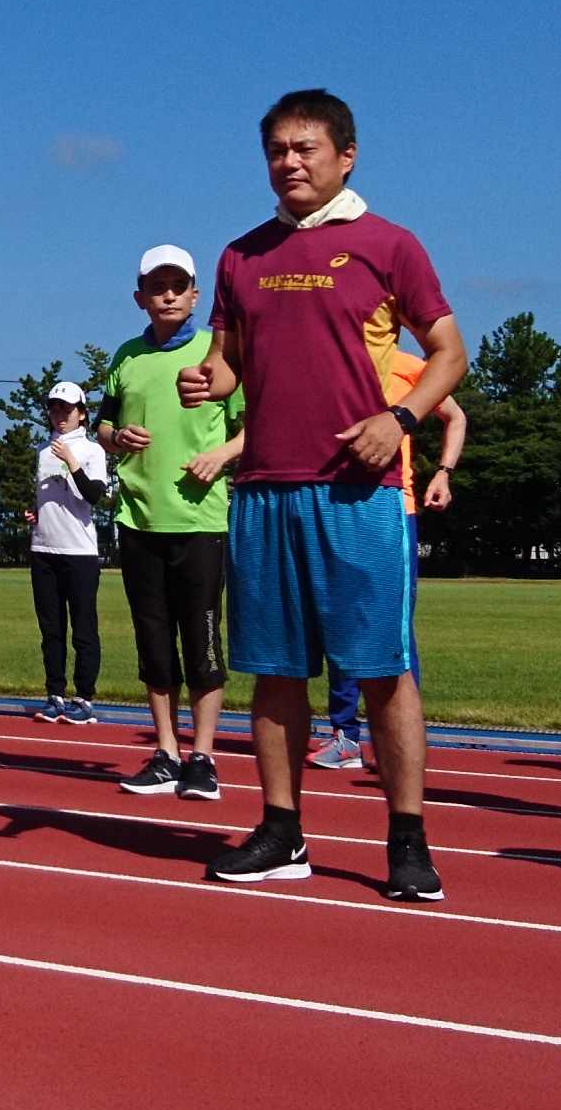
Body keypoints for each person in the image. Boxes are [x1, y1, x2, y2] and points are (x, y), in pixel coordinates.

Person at [188, 91, 464, 900]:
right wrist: (207, 379)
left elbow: (449, 353)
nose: (289, 162)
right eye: (276, 150)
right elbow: (229, 363)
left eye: (304, 148)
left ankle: (407, 840)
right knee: (275, 674)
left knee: (382, 671)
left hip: (358, 492)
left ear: (347, 155)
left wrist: (400, 418)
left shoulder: (389, 244)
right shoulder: (240, 255)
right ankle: (282, 832)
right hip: (264, 489)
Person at [99, 246, 245, 797]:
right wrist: (118, 438)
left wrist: (220, 456)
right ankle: (165, 752)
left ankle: (203, 757)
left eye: (178, 286)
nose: (168, 296)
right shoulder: (126, 357)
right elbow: (103, 428)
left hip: (200, 520)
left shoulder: (218, 354)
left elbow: (254, 425)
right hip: (138, 518)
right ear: (139, 297)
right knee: (153, 644)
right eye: (157, 287)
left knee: (202, 643)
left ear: (195, 295)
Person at [325, 339, 464, 771]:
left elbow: (455, 416)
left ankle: (401, 738)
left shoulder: (409, 366)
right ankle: (345, 736)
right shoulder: (331, 360)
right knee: (340, 621)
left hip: (392, 507)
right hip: (336, 503)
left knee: (394, 626)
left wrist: (443, 473)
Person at [26, 380, 111, 723]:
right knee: (51, 629)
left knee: (83, 627)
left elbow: (93, 495)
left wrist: (72, 461)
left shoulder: (91, 451)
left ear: (82, 414)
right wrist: (36, 510)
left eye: (67, 410)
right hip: (43, 547)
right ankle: (55, 695)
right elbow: (51, 496)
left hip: (79, 551)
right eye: (54, 409)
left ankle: (84, 698)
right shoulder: (42, 450)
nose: (60, 416)